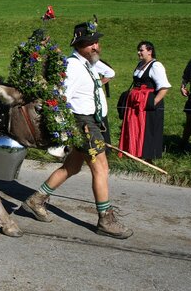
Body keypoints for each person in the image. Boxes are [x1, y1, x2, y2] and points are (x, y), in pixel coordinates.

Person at [23, 22, 133, 239]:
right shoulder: (73, 66)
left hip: (91, 122)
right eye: (90, 43)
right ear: (79, 45)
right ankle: (105, 220)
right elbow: (61, 98)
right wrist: (66, 130)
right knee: (101, 168)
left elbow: (107, 72)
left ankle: (35, 200)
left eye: (96, 42)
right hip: (83, 124)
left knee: (72, 166)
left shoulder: (89, 64)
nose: (95, 46)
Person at [119, 41, 171, 160]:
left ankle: (147, 156)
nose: (138, 52)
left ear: (150, 51)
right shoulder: (140, 64)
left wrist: (152, 103)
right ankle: (134, 152)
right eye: (138, 50)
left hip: (148, 104)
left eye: (141, 50)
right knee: (135, 128)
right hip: (137, 104)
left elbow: (164, 87)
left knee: (147, 130)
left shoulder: (156, 66)